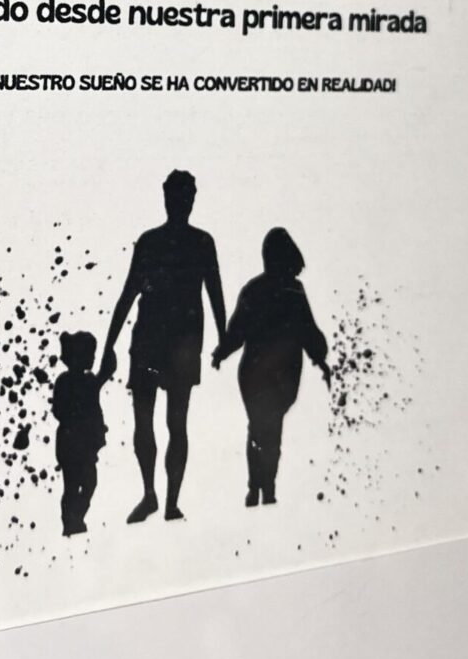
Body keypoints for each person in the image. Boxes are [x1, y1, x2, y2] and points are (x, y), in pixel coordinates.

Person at [101, 170, 225, 523]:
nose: (182, 202)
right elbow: (129, 293)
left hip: (181, 344)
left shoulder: (201, 243)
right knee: (149, 422)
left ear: (191, 200)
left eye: (186, 196)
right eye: (177, 196)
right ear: (167, 198)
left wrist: (225, 338)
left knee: (174, 423)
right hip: (151, 341)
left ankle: (168, 500)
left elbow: (215, 293)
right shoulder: (152, 242)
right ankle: (153, 495)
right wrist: (109, 344)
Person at [213, 227, 330, 506]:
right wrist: (320, 359)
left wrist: (222, 353)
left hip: (255, 372)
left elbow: (237, 330)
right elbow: (308, 331)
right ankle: (267, 487)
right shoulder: (294, 291)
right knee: (271, 430)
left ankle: (257, 487)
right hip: (283, 374)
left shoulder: (255, 289)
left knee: (257, 428)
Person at [51, 330, 109, 535]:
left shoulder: (87, 381)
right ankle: (70, 521)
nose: (92, 359)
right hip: (71, 443)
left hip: (82, 444)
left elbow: (99, 383)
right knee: (72, 485)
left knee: (89, 482)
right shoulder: (65, 382)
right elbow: (58, 410)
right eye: (89, 355)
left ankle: (75, 517)